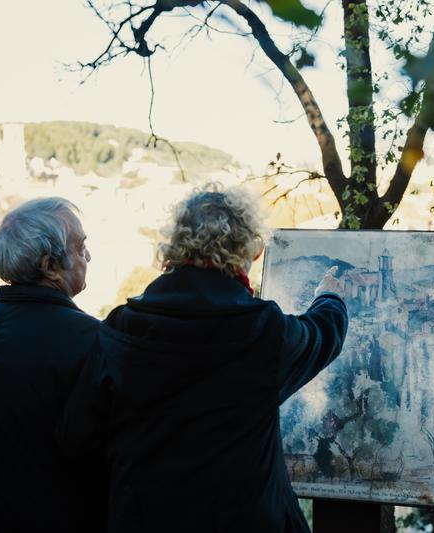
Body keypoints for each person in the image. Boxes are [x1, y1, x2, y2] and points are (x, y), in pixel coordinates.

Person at [58, 185, 348, 532]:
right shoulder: (260, 330)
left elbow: (78, 435)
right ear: (248, 251)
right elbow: (321, 335)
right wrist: (330, 297)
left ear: (175, 246)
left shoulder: (123, 325)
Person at [0, 197, 106, 532]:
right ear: (50, 266)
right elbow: (104, 454)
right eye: (80, 247)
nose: (87, 256)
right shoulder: (92, 340)